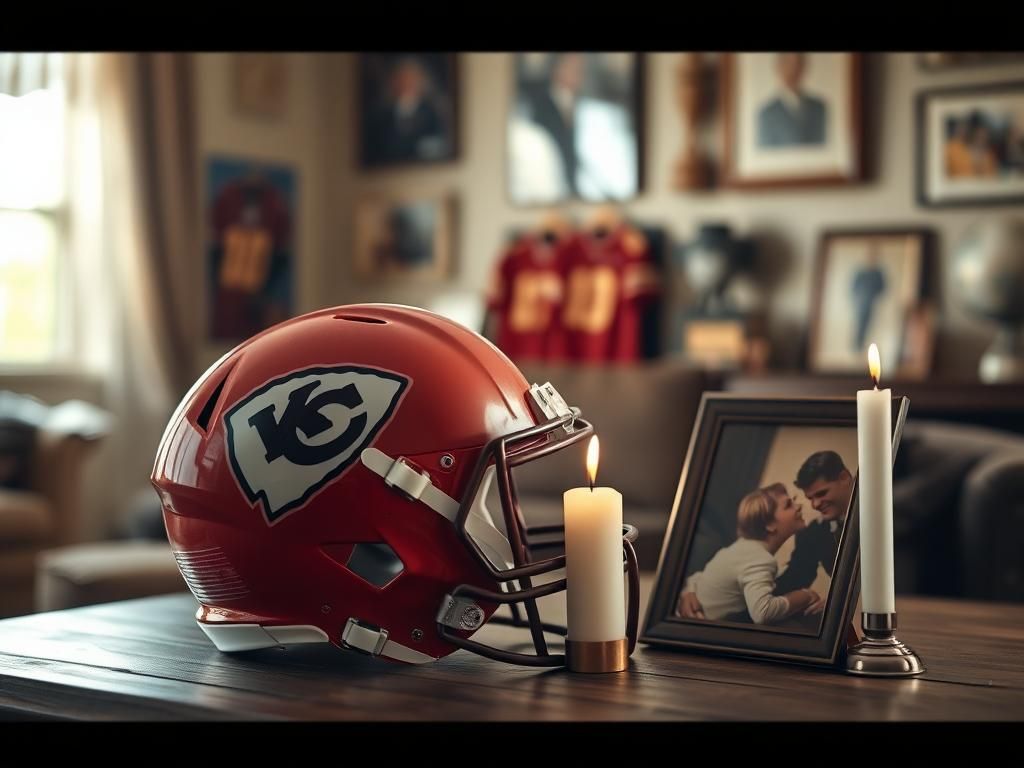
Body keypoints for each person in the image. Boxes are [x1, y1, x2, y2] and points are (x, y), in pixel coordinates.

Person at [679, 451, 854, 620]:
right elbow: (790, 582)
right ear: (769, 525)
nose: (813, 505)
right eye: (809, 498)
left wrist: (837, 602)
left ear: (844, 478)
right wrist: (806, 596)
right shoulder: (811, 534)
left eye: (822, 493)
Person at [676, 483, 822, 624]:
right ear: (769, 525)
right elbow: (763, 612)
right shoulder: (760, 559)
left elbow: (701, 576)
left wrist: (689, 590)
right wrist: (805, 596)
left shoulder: (742, 548)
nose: (799, 506)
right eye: (789, 505)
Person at [363, 56, 447, 166]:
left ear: (419, 81)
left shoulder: (431, 112)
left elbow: (437, 145)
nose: (405, 83)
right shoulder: (381, 115)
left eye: (410, 79)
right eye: (401, 79)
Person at [756, 53, 828, 148]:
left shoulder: (819, 108)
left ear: (804, 68)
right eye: (787, 64)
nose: (793, 71)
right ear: (779, 68)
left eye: (797, 65)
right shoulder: (766, 113)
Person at [851, 247, 886, 353]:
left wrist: (874, 296)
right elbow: (853, 287)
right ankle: (857, 347)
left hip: (872, 304)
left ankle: (866, 347)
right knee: (859, 325)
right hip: (860, 304)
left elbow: (882, 287)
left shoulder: (878, 273)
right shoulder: (860, 272)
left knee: (869, 326)